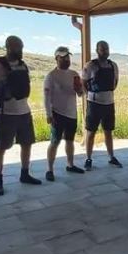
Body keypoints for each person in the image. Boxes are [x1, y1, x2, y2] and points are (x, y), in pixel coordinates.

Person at [0, 35, 41, 196]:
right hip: (5, 114)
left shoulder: (23, 66)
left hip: (24, 111)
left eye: (21, 47)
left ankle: (25, 173)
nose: (20, 50)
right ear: (8, 47)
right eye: (17, 47)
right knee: (1, 147)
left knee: (27, 144)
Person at [43, 46, 85, 181]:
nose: (67, 60)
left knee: (70, 141)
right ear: (56, 59)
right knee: (54, 142)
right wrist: (49, 114)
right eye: (63, 57)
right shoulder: (51, 76)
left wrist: (80, 89)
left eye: (68, 57)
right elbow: (46, 97)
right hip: (57, 114)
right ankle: (49, 169)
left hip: (72, 113)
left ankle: (70, 164)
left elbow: (80, 93)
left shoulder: (74, 74)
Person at [82, 40, 122, 169]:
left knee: (108, 131)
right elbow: (84, 83)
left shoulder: (113, 65)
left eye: (106, 48)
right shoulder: (90, 66)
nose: (105, 51)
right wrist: (91, 94)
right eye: (102, 49)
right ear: (97, 50)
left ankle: (111, 157)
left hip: (109, 103)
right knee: (91, 132)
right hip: (94, 104)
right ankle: (88, 158)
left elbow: (115, 83)